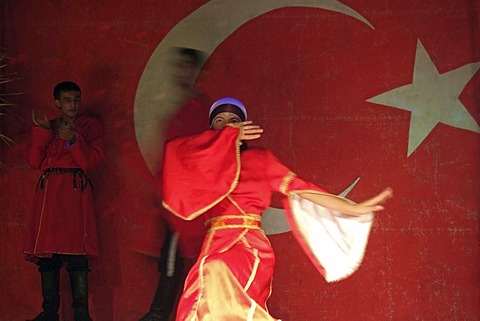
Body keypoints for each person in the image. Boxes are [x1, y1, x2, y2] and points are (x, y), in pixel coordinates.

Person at [161, 97, 394, 320]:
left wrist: (353, 208)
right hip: (212, 246)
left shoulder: (261, 160)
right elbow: (176, 152)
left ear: (245, 127)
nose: (227, 126)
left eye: (234, 121)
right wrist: (222, 140)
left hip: (247, 246)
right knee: (198, 304)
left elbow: (306, 190)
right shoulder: (202, 170)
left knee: (216, 273)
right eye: (219, 122)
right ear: (210, 131)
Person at [139, 48, 210, 321]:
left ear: (195, 72)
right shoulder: (174, 104)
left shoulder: (201, 108)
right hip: (172, 195)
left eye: (187, 67)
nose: (182, 72)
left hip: (190, 200)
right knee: (171, 256)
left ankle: (160, 314)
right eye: (179, 66)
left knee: (178, 256)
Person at [24, 81, 104, 321]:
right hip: (50, 195)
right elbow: (35, 161)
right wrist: (41, 133)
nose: (73, 104)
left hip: (74, 192)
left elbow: (91, 161)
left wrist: (73, 141)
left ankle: (82, 314)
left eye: (76, 99)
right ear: (57, 103)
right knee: (48, 255)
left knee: (77, 254)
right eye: (67, 100)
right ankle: (50, 313)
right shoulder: (48, 126)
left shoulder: (90, 126)